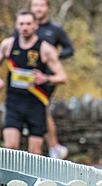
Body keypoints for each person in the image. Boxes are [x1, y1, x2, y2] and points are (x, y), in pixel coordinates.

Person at [0, 9, 67, 155]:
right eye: (21, 23)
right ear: (16, 25)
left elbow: (62, 77)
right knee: (10, 148)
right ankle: (9, 178)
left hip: (36, 103)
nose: (25, 27)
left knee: (34, 154)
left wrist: (46, 78)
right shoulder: (8, 45)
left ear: (35, 25)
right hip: (13, 103)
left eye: (28, 23)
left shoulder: (45, 49)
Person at [29, 0, 73, 159]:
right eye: (35, 5)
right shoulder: (24, 27)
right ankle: (53, 147)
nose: (38, 8)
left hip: (47, 78)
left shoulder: (54, 30)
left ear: (47, 8)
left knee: (41, 108)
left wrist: (54, 56)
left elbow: (70, 49)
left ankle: (52, 147)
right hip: (26, 78)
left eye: (41, 5)